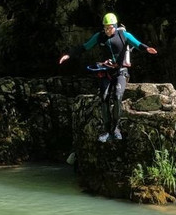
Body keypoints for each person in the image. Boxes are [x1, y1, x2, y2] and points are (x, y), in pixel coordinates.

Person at [59, 12, 157, 142]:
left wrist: (147, 49)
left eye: (109, 27)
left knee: (117, 96)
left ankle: (115, 129)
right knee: (104, 97)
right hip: (106, 71)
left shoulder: (123, 35)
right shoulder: (100, 37)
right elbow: (84, 47)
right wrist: (69, 55)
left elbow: (137, 44)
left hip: (121, 71)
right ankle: (106, 131)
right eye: (105, 28)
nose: (107, 30)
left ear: (115, 26)